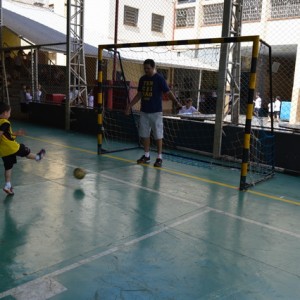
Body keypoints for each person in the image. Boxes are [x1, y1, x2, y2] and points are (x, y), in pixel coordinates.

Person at [125, 59, 182, 168]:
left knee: (158, 135)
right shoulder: (142, 79)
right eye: (145, 68)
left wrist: (176, 102)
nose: (146, 70)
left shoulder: (159, 78)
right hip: (144, 111)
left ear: (153, 67)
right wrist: (129, 105)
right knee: (144, 134)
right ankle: (147, 156)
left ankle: (159, 157)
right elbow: (139, 95)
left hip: (156, 112)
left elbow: (168, 92)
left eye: (148, 68)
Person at [0, 102, 46, 195]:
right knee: (26, 152)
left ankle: (8, 185)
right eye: (9, 112)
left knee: (8, 167)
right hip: (12, 147)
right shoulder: (5, 122)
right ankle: (38, 157)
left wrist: (16, 133)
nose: (10, 114)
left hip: (4, 151)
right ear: (5, 113)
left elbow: (7, 134)